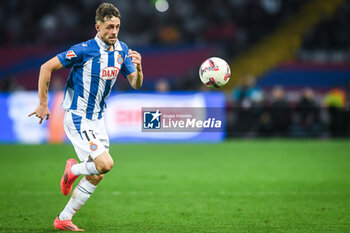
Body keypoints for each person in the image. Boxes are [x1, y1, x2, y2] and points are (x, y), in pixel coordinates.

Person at [29, 3, 143, 231]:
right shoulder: (84, 50)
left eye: (117, 27)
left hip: (98, 120)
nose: (114, 31)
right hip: (78, 117)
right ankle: (72, 170)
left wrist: (139, 69)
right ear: (97, 27)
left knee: (97, 174)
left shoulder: (122, 50)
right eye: (109, 27)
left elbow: (135, 84)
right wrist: (43, 103)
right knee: (105, 164)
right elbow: (46, 67)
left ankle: (63, 218)